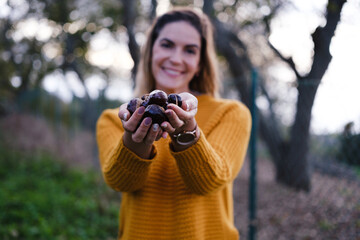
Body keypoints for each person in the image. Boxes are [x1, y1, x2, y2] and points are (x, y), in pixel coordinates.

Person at [96, 7, 251, 240]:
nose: (176, 58)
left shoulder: (231, 113)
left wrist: (186, 132)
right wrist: (134, 140)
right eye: (167, 45)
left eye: (190, 50)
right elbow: (121, 182)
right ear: (150, 52)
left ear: (199, 63)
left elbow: (208, 182)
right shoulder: (116, 119)